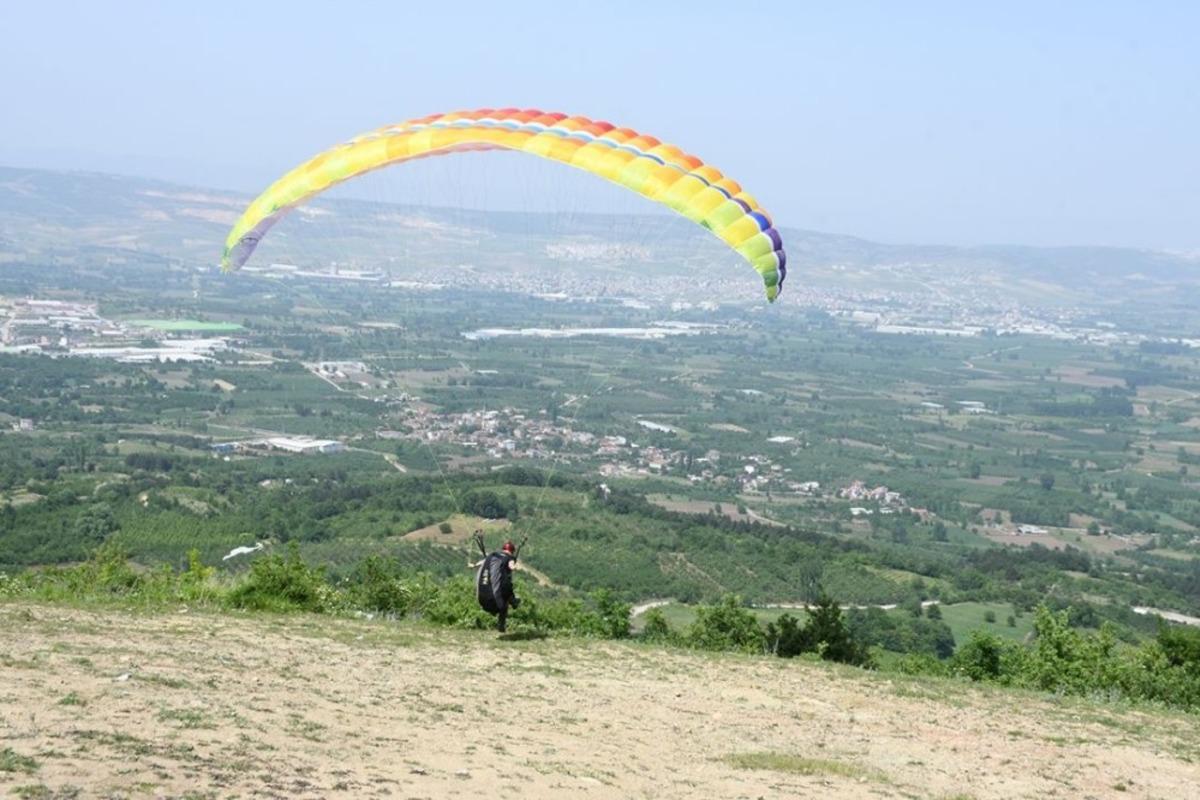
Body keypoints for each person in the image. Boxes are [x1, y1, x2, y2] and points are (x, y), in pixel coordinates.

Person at [473, 538, 521, 632]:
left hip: (482, 599)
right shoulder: (509, 558)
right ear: (511, 551)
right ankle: (513, 603)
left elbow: (481, 563)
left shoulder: (492, 556)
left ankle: (513, 601)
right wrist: (516, 567)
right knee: (506, 588)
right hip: (495, 601)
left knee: (504, 588)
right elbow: (511, 566)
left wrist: (473, 565)